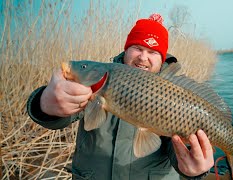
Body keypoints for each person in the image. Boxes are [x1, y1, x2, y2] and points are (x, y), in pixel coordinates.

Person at [27, 13, 214, 180]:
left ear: (162, 58)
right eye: (137, 48)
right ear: (126, 49)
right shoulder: (97, 82)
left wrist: (194, 170)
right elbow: (62, 115)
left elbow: (178, 153)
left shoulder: (174, 93)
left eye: (152, 52)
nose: (142, 57)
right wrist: (44, 103)